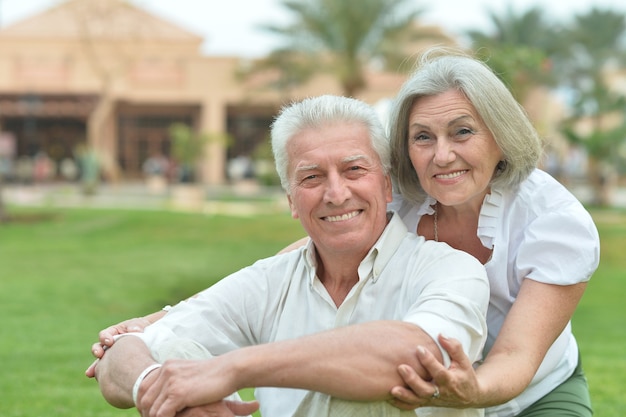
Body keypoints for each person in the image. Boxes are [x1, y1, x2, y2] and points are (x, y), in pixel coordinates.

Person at [90, 95, 490, 417]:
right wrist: (165, 392)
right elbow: (118, 356)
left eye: (353, 169)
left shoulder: (450, 269)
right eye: (312, 177)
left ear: (386, 187)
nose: (336, 193)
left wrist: (233, 368)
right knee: (171, 374)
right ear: (292, 201)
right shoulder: (269, 282)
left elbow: (412, 357)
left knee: (371, 390)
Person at [385, 49, 600, 416]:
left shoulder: (554, 221)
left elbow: (517, 355)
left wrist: (470, 390)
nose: (442, 155)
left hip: (536, 392)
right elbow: (314, 259)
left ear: (500, 136)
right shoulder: (394, 205)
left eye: (462, 132)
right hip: (429, 400)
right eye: (423, 137)